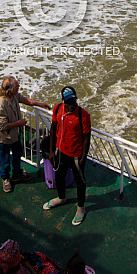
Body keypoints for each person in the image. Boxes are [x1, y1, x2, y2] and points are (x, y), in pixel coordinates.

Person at [0, 76, 50, 193]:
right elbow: (1, 125)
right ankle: (5, 178)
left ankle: (17, 174)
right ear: (11, 89)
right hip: (4, 136)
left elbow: (25, 100)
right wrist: (18, 123)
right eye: (17, 86)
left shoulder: (14, 96)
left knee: (18, 151)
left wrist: (39, 104)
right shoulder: (1, 103)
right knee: (5, 157)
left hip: (14, 134)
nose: (19, 87)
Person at [43, 86, 92, 226]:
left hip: (76, 155)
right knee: (59, 176)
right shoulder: (58, 109)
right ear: (63, 102)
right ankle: (61, 197)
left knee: (80, 182)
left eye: (73, 102)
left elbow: (86, 138)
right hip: (60, 152)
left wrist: (83, 157)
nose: (71, 105)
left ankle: (80, 207)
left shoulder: (84, 115)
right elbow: (53, 130)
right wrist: (52, 151)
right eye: (68, 103)